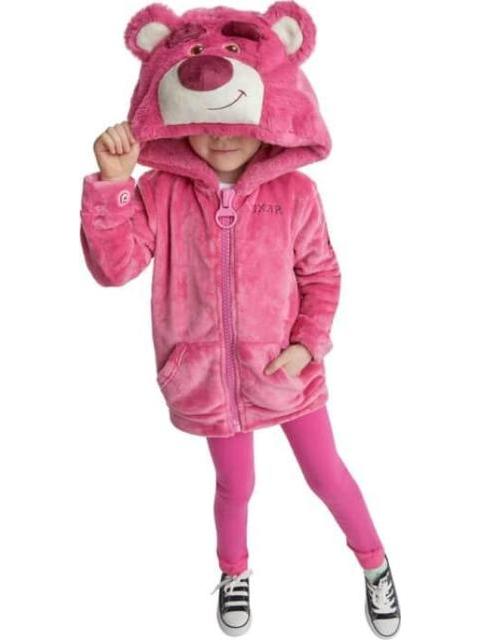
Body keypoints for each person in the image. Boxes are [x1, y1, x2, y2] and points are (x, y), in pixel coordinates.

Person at [79, 2, 401, 637]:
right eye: (205, 123)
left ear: (270, 113)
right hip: (206, 380)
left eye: (236, 122)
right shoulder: (161, 193)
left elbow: (322, 276)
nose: (221, 135)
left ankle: (375, 562)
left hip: (285, 372)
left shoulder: (296, 194)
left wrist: (308, 345)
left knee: (326, 475)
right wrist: (114, 184)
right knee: (235, 484)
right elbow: (115, 269)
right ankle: (234, 571)